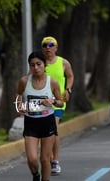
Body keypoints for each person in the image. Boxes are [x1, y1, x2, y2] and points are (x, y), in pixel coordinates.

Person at [16, 51, 64, 181]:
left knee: (45, 159)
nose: (36, 68)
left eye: (39, 64)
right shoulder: (24, 81)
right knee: (32, 159)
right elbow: (18, 95)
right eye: (32, 65)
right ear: (29, 67)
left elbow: (61, 102)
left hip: (47, 122)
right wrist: (19, 106)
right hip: (31, 123)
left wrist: (53, 101)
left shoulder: (52, 83)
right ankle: (36, 175)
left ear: (44, 65)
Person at [41, 36, 74, 175]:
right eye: (45, 45)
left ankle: (54, 160)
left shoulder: (63, 62)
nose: (48, 47)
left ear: (56, 47)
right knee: (45, 131)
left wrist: (68, 89)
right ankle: (45, 159)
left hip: (58, 102)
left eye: (50, 44)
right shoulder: (39, 64)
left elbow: (70, 76)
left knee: (53, 128)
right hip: (42, 103)